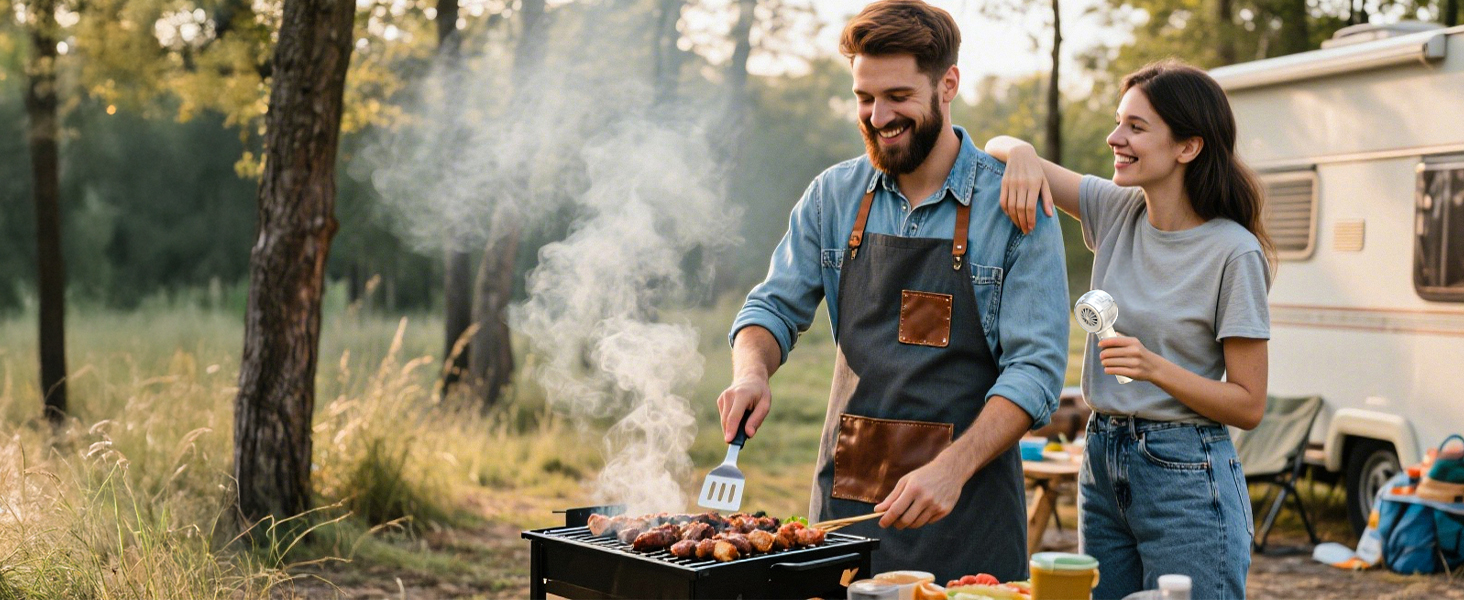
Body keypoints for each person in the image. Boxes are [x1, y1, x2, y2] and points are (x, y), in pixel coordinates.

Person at [717, 0, 1069, 582]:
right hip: (845, 517)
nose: (878, 116)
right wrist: (751, 371)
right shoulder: (833, 195)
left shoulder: (1013, 205)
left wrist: (952, 468)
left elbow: (1035, 371)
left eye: (899, 97)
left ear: (947, 84)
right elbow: (771, 307)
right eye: (864, 98)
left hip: (967, 515)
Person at [985, 59, 1273, 599]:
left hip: (1186, 474)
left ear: (1188, 147)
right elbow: (993, 145)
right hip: (1101, 459)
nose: (1116, 137)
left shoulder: (1234, 252)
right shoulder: (1115, 209)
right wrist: (1022, 154)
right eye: (1120, 122)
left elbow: (1248, 404)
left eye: (1136, 128)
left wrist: (1155, 369)